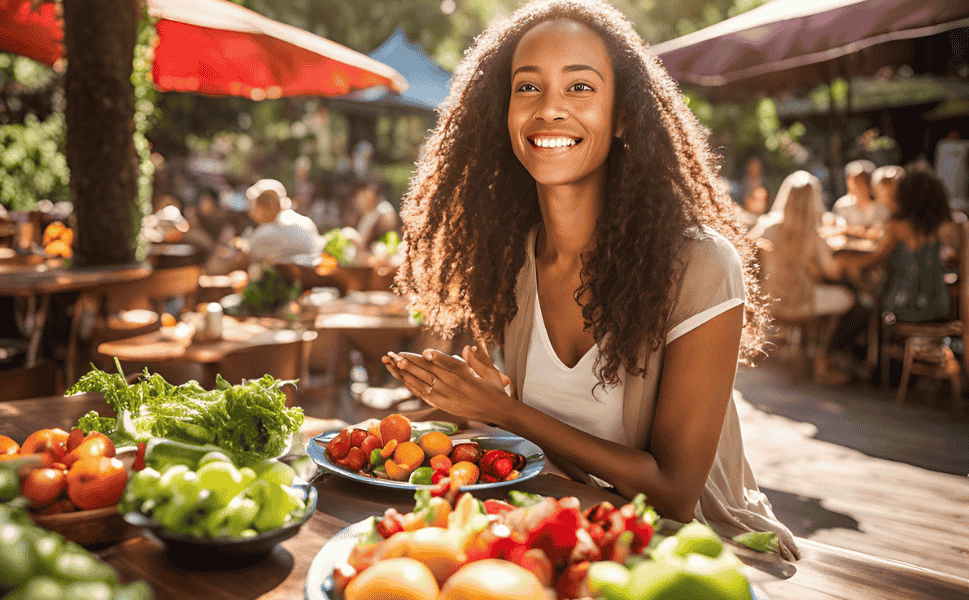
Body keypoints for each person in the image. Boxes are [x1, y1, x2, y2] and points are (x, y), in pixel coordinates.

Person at [381, 0, 797, 559]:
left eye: (580, 88)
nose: (549, 109)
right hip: (567, 539)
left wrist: (508, 413)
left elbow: (674, 496)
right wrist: (471, 401)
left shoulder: (700, 265)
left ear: (623, 116)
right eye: (527, 88)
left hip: (697, 558)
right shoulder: (514, 262)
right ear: (501, 114)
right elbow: (558, 454)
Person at [750, 171, 855, 385]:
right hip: (801, 301)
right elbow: (832, 272)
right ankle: (822, 359)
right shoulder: (814, 233)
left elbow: (747, 249)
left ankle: (807, 353)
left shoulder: (768, 225)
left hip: (770, 298)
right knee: (847, 298)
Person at [838, 169, 954, 323]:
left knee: (862, 298)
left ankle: (861, 345)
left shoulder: (898, 226)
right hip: (939, 304)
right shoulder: (945, 228)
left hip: (904, 305)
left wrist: (841, 258)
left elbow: (875, 257)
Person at [233, 179, 325, 268]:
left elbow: (242, 260)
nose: (251, 212)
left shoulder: (267, 232)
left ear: (266, 206)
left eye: (255, 205)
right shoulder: (306, 222)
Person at [832, 159, 890, 238]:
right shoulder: (842, 205)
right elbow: (837, 227)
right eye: (853, 180)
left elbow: (881, 230)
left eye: (862, 180)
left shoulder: (881, 206)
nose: (857, 185)